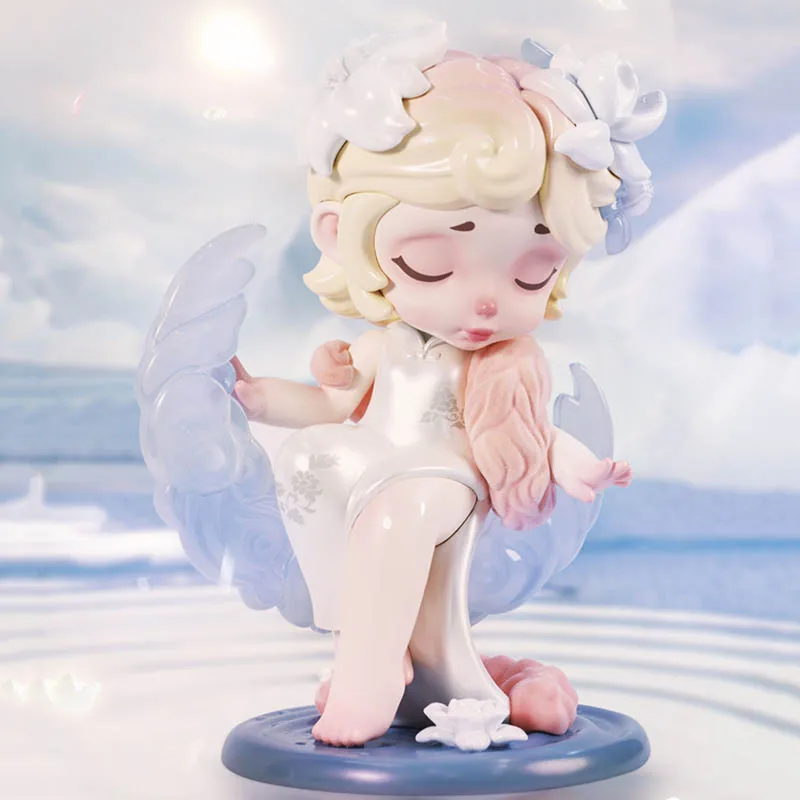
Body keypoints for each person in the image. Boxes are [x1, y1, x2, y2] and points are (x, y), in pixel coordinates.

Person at [228, 23, 666, 747]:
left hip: (444, 479)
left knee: (400, 510)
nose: (486, 302)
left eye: (531, 273)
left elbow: (537, 433)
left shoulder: (501, 366)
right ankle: (390, 650)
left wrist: (583, 468)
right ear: (346, 237)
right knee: (313, 459)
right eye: (432, 263)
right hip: (368, 469)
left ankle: (371, 670)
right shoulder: (383, 347)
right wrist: (259, 397)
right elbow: (328, 406)